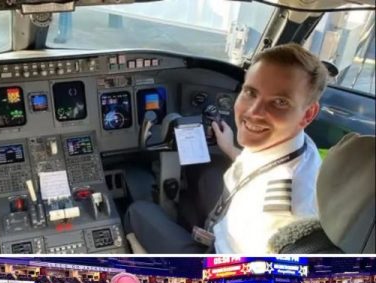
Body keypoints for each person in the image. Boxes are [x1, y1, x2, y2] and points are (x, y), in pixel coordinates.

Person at [126, 43, 328, 253]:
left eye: (279, 102)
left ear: (308, 114)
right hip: (224, 227)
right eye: (250, 92)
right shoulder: (299, 145)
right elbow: (264, 168)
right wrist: (230, 148)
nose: (253, 112)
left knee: (138, 211)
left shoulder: (282, 215)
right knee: (204, 171)